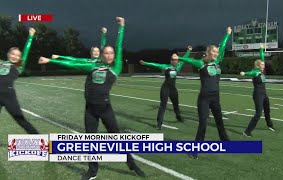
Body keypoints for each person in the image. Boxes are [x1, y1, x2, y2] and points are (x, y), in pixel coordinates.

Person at [39, 17, 145, 179]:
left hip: (105, 109)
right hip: (90, 110)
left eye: (111, 53)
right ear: (102, 54)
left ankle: (132, 164)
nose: (109, 55)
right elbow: (74, 64)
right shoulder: (93, 65)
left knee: (117, 138)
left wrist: (122, 27)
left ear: (114, 55)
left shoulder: (116, 67)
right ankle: (93, 171)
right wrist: (52, 60)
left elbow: (119, 44)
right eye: (106, 53)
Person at [171, 27, 232, 159]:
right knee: (203, 124)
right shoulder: (201, 63)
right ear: (208, 52)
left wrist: (227, 34)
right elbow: (190, 61)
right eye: (214, 52)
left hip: (216, 97)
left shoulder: (217, 62)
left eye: (217, 52)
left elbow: (222, 47)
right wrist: (179, 57)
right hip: (204, 98)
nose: (216, 53)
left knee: (219, 122)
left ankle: (226, 143)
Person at [140, 46, 192, 130]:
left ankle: (178, 117)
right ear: (171, 61)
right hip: (165, 88)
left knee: (176, 105)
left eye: (177, 60)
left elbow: (185, 58)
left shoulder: (178, 66)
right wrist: (145, 63)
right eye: (174, 60)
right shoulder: (166, 66)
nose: (176, 61)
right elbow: (156, 64)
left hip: (173, 89)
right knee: (163, 106)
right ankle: (159, 124)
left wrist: (188, 51)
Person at [0, 27, 38, 134]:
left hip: (8, 96)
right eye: (13, 54)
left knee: (20, 120)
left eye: (18, 55)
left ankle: (39, 139)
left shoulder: (19, 67)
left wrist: (30, 36)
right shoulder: (1, 63)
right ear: (8, 55)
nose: (15, 57)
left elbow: (26, 50)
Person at [240, 44, 275, 137]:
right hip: (258, 95)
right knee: (258, 113)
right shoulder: (255, 72)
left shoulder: (261, 71)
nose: (264, 65)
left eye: (263, 64)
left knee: (267, 110)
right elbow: (250, 73)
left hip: (264, 94)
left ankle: (269, 125)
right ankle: (247, 131)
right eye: (262, 64)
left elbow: (262, 57)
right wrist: (244, 73)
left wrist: (261, 49)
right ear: (258, 66)